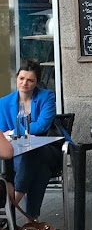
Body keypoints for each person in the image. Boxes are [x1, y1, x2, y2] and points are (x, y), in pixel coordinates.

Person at [0, 59, 61, 218]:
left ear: (36, 83)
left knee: (33, 154)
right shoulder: (4, 102)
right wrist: (16, 133)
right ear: (17, 77)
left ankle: (14, 199)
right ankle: (32, 221)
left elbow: (42, 126)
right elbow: (2, 131)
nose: (24, 83)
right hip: (17, 154)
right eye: (21, 78)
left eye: (30, 80)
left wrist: (14, 131)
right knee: (40, 170)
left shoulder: (46, 97)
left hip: (48, 150)